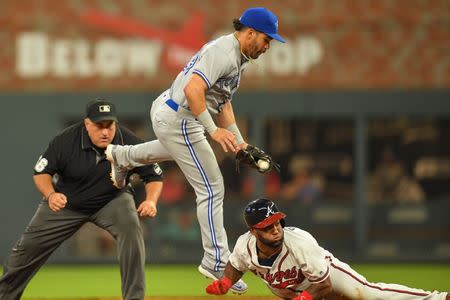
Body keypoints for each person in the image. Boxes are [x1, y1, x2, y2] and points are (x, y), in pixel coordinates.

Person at [104, 7, 286, 294]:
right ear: (250, 32)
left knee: (177, 153)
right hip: (181, 116)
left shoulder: (236, 55)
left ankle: (121, 156)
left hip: (172, 111)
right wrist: (213, 131)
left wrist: (239, 143)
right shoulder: (224, 53)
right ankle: (215, 261)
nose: (267, 46)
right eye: (266, 39)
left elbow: (222, 102)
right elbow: (193, 89)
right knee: (212, 188)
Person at [0, 100, 163, 300]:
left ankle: (134, 298)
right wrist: (51, 195)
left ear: (115, 124)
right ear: (87, 124)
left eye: (109, 126)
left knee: (131, 230)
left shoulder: (128, 140)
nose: (105, 132)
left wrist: (151, 201)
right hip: (67, 203)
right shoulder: (65, 140)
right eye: (99, 126)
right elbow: (41, 173)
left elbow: (154, 176)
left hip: (112, 199)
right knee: (26, 250)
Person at [205, 198, 449, 300]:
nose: (276, 229)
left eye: (277, 222)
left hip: (325, 274)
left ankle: (438, 298)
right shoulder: (243, 246)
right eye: (268, 226)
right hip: (294, 292)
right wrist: (226, 282)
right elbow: (236, 265)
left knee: (369, 294)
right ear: (254, 231)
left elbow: (324, 285)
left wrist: (306, 297)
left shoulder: (299, 242)